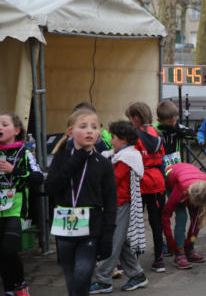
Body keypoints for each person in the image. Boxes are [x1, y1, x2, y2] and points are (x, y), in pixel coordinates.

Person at [46, 109, 117, 296]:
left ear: (99, 133)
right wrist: (76, 158)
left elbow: (111, 202)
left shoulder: (103, 163)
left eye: (94, 127)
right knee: (72, 280)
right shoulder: (61, 157)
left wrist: (108, 236)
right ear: (70, 132)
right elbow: (51, 187)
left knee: (82, 274)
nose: (89, 131)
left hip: (91, 229)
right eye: (83, 126)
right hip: (64, 227)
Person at [90, 121, 148, 294]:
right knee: (122, 243)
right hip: (117, 204)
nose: (111, 140)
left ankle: (103, 280)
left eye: (113, 137)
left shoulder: (126, 158)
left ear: (123, 140)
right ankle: (137, 275)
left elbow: (113, 180)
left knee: (113, 242)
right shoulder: (118, 154)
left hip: (121, 204)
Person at [0, 112, 43, 296]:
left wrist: (14, 170)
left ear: (16, 130)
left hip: (15, 209)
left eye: (4, 124)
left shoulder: (24, 153)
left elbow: (38, 177)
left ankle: (20, 283)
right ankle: (9, 288)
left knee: (9, 250)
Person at [125, 102, 166, 273]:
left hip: (140, 182)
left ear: (135, 119)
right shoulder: (157, 133)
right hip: (157, 182)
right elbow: (163, 155)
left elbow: (130, 157)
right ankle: (159, 259)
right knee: (157, 222)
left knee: (135, 222)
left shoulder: (134, 136)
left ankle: (132, 260)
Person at [161, 162, 206, 269]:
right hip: (172, 179)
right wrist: (170, 240)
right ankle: (179, 254)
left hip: (190, 178)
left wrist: (189, 241)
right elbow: (165, 216)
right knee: (181, 216)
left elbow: (196, 222)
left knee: (199, 218)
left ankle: (189, 249)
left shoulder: (205, 190)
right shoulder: (180, 190)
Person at [154, 99, 197, 166]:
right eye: (169, 122)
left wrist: (178, 131)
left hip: (176, 164)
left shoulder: (177, 127)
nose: (173, 124)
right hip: (160, 163)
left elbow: (194, 135)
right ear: (159, 120)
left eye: (175, 121)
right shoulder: (154, 129)